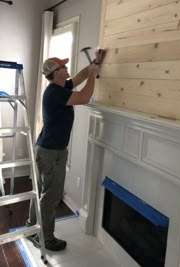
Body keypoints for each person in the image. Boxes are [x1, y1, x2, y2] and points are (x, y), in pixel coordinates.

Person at [27, 49, 105, 251]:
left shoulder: (60, 87)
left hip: (50, 148)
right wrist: (94, 75)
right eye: (63, 66)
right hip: (50, 151)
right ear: (56, 72)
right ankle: (45, 237)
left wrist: (94, 63)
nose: (67, 68)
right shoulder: (55, 92)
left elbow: (79, 77)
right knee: (51, 196)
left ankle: (31, 227)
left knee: (44, 193)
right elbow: (85, 96)